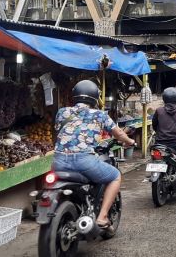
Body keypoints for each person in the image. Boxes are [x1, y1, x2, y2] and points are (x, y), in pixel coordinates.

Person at [53, 80, 136, 229]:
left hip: (58, 161)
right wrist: (130, 141)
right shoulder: (99, 115)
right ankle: (102, 216)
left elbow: (60, 131)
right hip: (83, 161)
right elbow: (118, 134)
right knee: (115, 176)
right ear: (94, 98)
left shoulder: (62, 112)